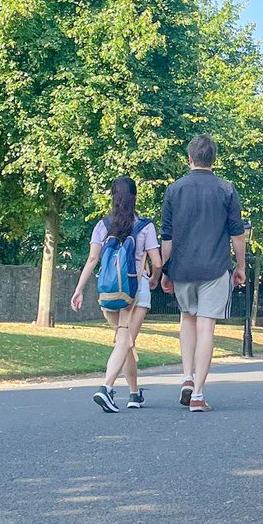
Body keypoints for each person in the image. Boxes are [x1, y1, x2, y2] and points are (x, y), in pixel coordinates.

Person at [160, 135, 245, 411]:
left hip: (182, 268)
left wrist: (163, 271)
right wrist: (241, 267)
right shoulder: (226, 189)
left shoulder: (174, 190)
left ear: (190, 159)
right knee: (206, 326)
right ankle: (198, 394)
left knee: (187, 319)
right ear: (214, 160)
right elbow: (237, 235)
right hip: (215, 267)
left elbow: (168, 238)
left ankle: (186, 377)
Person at [70, 176, 162, 413]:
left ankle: (133, 393)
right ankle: (106, 387)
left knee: (127, 342)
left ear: (112, 196)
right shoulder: (145, 226)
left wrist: (79, 289)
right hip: (136, 290)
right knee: (125, 340)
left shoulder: (102, 225)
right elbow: (157, 261)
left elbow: (93, 259)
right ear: (135, 197)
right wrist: (153, 278)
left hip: (109, 291)